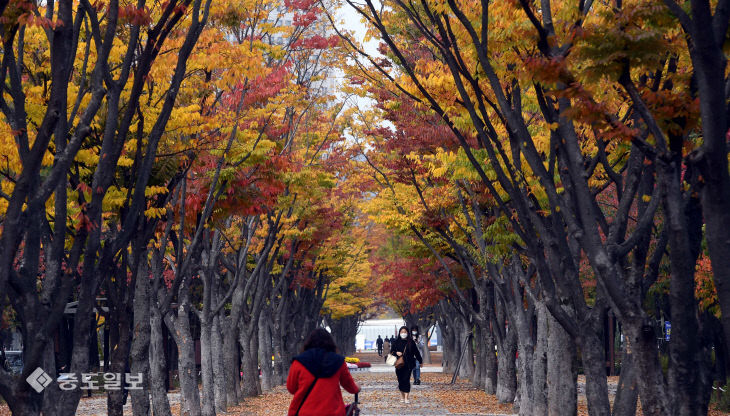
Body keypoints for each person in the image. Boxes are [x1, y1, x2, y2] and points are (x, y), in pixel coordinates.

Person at [287, 328, 360, 416]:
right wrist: (357, 388)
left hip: (305, 411)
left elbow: (291, 388)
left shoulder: (299, 362)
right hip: (333, 412)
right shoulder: (338, 361)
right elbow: (350, 386)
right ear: (331, 343)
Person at [389, 326, 422, 404]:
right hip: (399, 365)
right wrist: (396, 353)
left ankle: (406, 397)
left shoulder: (411, 342)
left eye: (405, 332)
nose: (403, 333)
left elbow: (416, 352)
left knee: (406, 379)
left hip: (408, 364)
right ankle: (402, 396)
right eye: (402, 332)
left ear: (408, 333)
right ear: (399, 333)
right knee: (400, 380)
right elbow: (391, 352)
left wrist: (420, 361)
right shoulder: (396, 342)